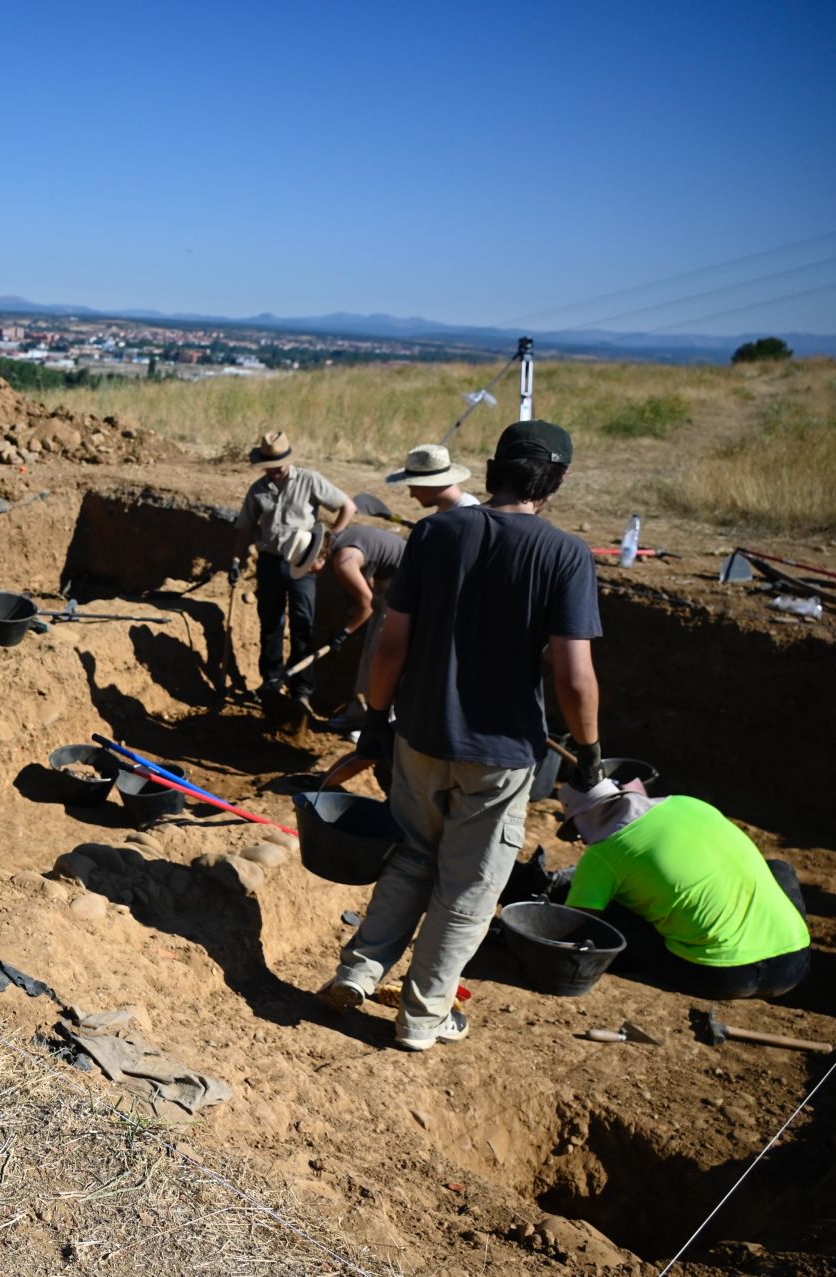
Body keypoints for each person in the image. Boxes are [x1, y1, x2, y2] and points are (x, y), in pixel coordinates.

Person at [322, 420, 604, 1051]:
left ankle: (359, 972)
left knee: (412, 857)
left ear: (490, 467)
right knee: (469, 887)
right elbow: (573, 676)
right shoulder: (565, 555)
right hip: (499, 754)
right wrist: (588, 755)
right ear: (556, 481)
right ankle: (424, 1017)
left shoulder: (435, 533)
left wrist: (376, 718)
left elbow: (393, 643)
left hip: (419, 734)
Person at [557, 781, 810, 1000]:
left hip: (723, 975)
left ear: (583, 822)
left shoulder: (602, 855)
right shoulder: (688, 804)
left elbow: (578, 928)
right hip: (795, 963)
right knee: (779, 868)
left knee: (614, 918)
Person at [229, 431, 356, 707]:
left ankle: (302, 690)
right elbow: (245, 529)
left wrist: (329, 541)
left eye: (277, 465)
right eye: (268, 466)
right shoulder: (258, 490)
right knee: (271, 623)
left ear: (288, 460)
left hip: (302, 562)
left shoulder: (309, 480)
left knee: (302, 624)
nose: (273, 471)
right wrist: (236, 561)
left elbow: (348, 506)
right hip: (270, 563)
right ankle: (271, 682)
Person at [294, 521, 404, 719]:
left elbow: (367, 605)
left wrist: (345, 633)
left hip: (404, 590)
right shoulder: (343, 542)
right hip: (388, 588)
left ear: (318, 555)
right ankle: (358, 714)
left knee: (378, 657)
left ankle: (373, 722)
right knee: (369, 657)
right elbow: (371, 575)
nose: (310, 572)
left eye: (308, 566)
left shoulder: (343, 561)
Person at [386, 443, 480, 513]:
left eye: (415, 488)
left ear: (433, 484)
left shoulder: (467, 514)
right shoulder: (450, 509)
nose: (412, 495)